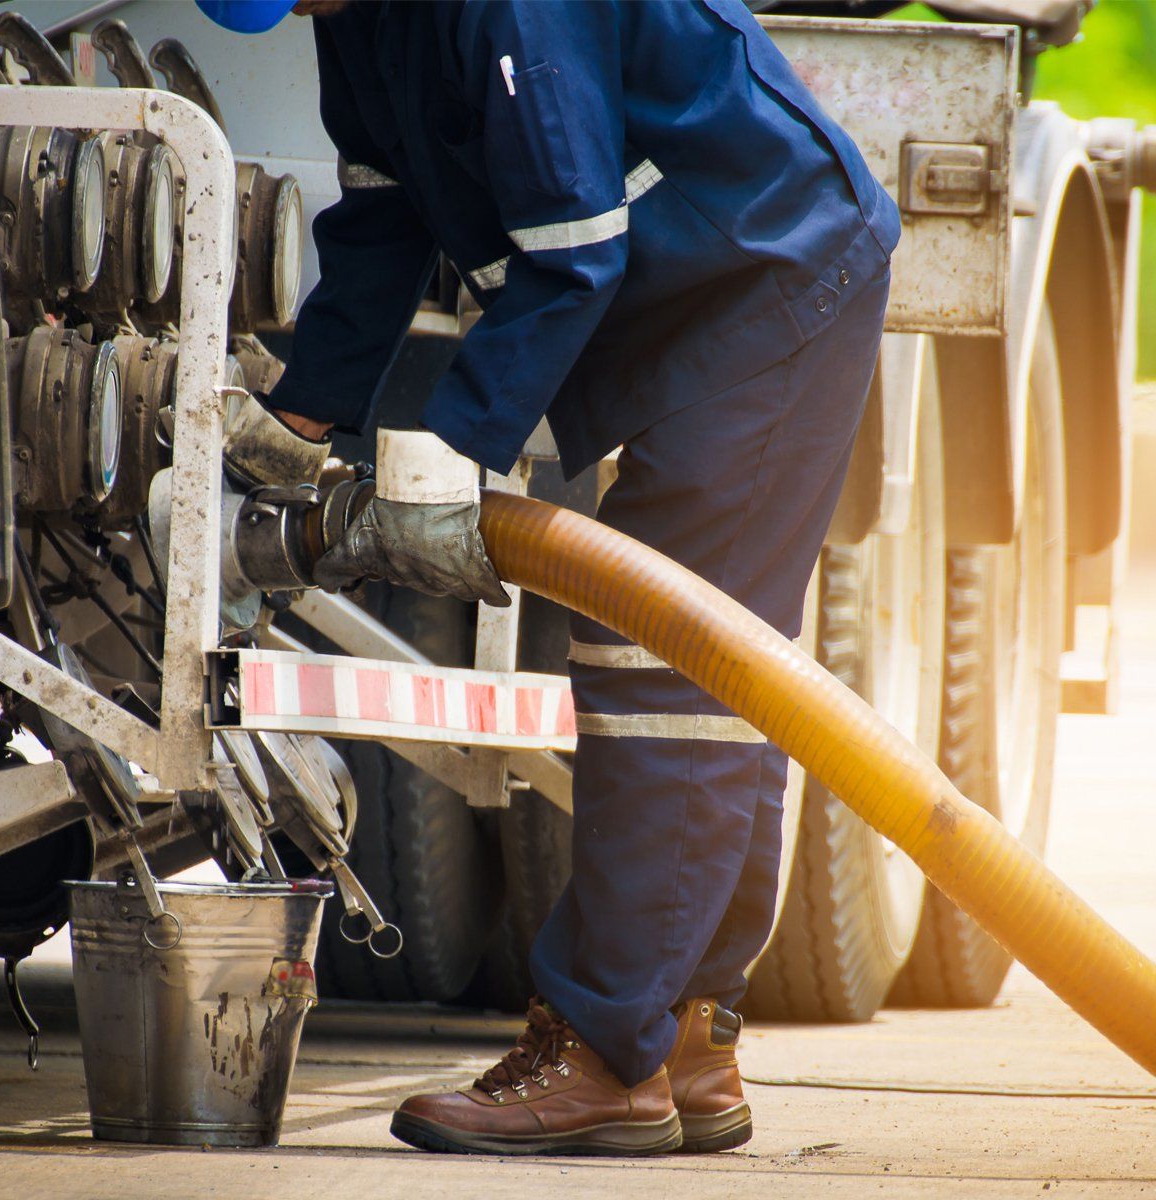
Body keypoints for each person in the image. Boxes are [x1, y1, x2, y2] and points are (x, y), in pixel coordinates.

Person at [217, 0, 898, 1155]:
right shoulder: (361, 19)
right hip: (697, 295)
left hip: (766, 285)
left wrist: (450, 450)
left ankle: (603, 1055)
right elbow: (385, 222)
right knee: (719, 671)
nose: (303, 12)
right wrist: (299, 415)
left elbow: (576, 253)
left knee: (661, 675)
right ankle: (689, 1041)